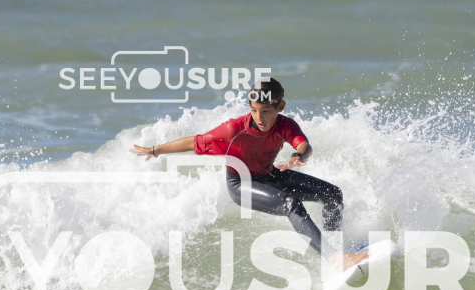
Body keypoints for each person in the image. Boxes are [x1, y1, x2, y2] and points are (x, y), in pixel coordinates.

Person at [129, 77, 366, 271]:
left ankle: (337, 249)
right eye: (254, 110)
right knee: (291, 203)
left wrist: (298, 157)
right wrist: (154, 150)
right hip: (241, 185)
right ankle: (335, 259)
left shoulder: (285, 125)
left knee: (332, 193)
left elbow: (304, 145)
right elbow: (194, 141)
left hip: (270, 174)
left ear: (280, 107)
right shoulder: (233, 131)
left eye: (265, 111)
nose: (259, 118)